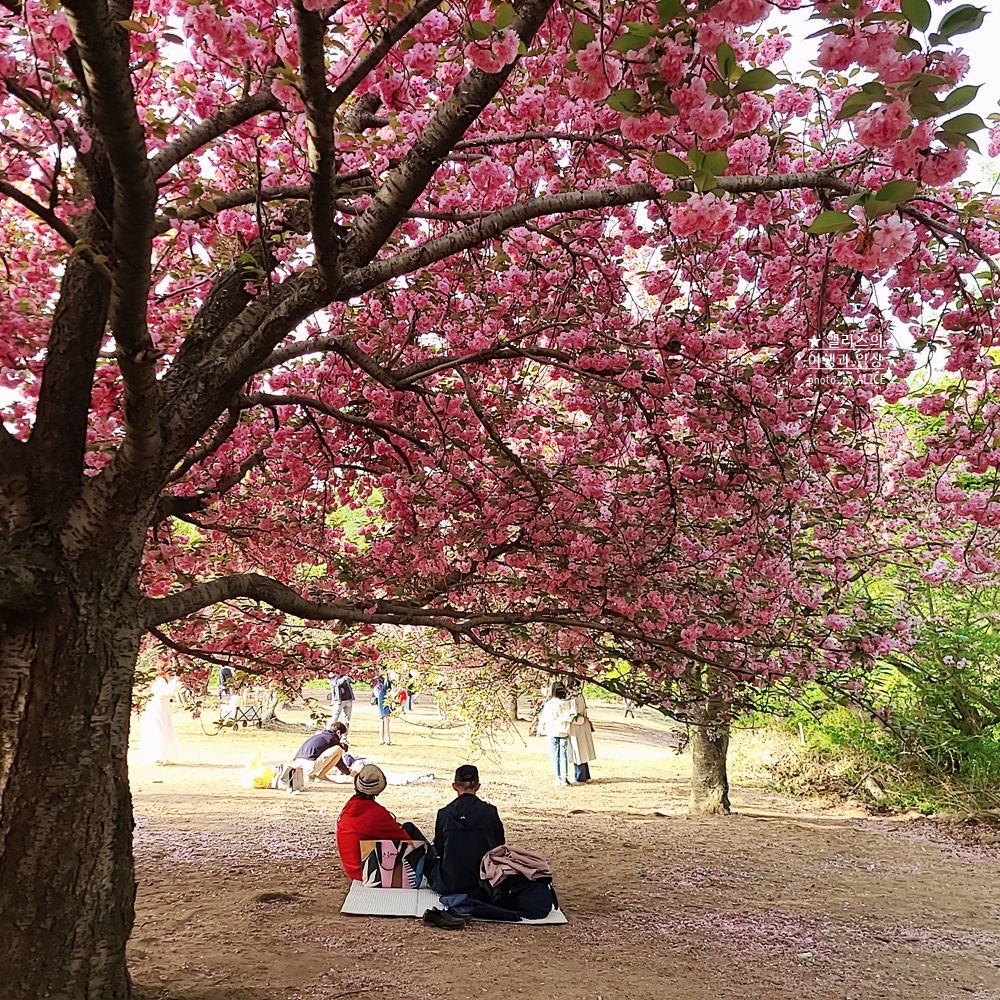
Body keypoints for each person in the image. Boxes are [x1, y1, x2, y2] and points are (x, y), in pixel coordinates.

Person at [429, 764, 505, 896]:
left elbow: (439, 848)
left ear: (454, 786)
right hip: (483, 883)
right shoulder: (490, 812)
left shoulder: (444, 813)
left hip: (450, 883)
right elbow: (499, 846)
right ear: (478, 786)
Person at [336, 764, 414, 880]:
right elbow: (407, 841)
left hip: (352, 868)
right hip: (367, 873)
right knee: (410, 829)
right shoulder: (377, 813)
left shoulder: (350, 805)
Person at [137, 670, 183, 764]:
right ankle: (158, 755)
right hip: (157, 707)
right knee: (158, 729)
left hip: (164, 708)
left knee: (166, 729)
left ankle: (165, 755)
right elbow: (166, 692)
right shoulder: (159, 680)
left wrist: (178, 681)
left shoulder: (166, 680)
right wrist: (176, 680)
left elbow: (173, 690)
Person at [536, 682, 576, 786]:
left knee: (555, 754)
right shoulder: (568, 703)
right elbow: (572, 714)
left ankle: (557, 777)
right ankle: (564, 777)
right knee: (563, 754)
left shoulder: (551, 703)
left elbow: (544, 717)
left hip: (552, 730)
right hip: (564, 730)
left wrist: (540, 728)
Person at [568, 685, 596, 783]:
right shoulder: (579, 695)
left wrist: (581, 719)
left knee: (578, 751)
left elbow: (572, 716)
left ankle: (580, 776)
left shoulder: (572, 697)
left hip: (577, 727)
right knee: (582, 750)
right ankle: (585, 775)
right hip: (581, 725)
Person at [374, 676, 393, 745]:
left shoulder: (378, 681)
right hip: (383, 700)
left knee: (382, 720)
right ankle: (387, 738)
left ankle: (382, 739)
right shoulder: (380, 681)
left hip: (382, 700)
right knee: (386, 719)